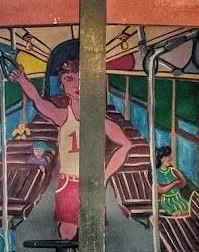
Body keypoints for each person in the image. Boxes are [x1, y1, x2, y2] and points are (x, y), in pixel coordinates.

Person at [9, 56, 131, 240]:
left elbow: (126, 145)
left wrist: (105, 176)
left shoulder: (101, 121)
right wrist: (22, 79)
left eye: (82, 78)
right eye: (69, 79)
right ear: (61, 84)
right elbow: (37, 99)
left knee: (92, 232)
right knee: (67, 232)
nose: (77, 84)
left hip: (91, 185)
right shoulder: (62, 116)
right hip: (68, 183)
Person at [153, 146, 190, 217]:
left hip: (178, 198)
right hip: (167, 201)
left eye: (170, 156)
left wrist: (167, 186)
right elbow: (161, 190)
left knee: (187, 211)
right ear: (161, 158)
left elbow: (183, 183)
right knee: (177, 214)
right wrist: (174, 183)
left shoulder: (173, 170)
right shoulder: (157, 173)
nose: (171, 159)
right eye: (168, 156)